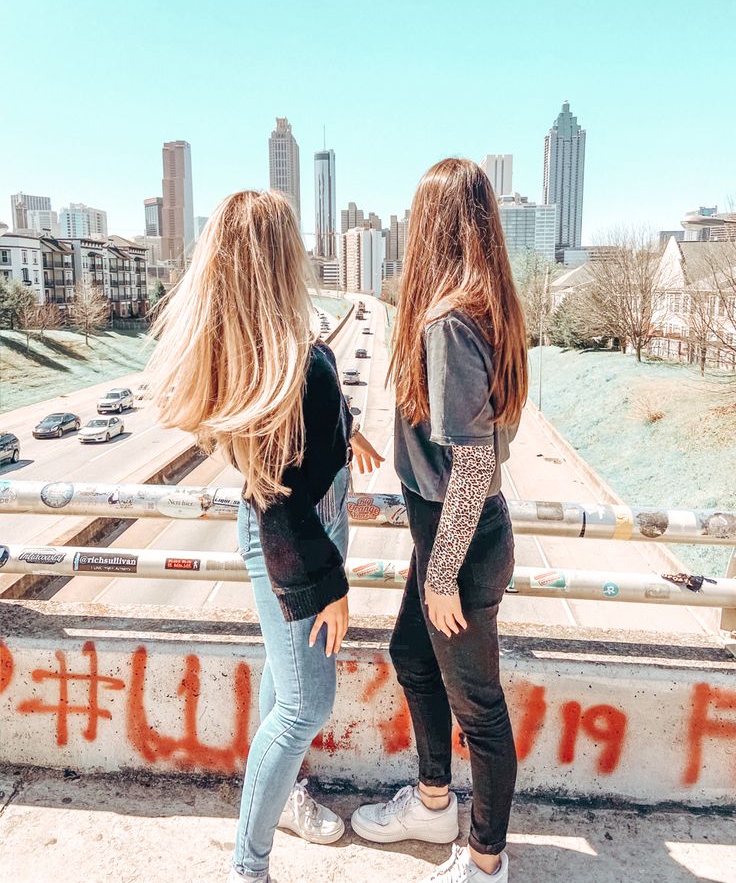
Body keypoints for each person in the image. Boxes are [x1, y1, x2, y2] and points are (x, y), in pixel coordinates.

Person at [146, 190, 383, 883]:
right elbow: (279, 501)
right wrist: (330, 586)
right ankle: (249, 868)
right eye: (294, 243)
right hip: (297, 545)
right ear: (275, 259)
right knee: (307, 704)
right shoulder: (286, 366)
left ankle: (280, 801)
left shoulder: (271, 355)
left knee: (286, 692)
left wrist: (348, 429)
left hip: (297, 534)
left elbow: (307, 424)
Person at [351, 159, 528, 883]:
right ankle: (431, 802)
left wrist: (444, 569)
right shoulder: (486, 305)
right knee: (412, 656)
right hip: (449, 531)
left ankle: (486, 861)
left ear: (433, 228)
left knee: (479, 709)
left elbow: (475, 462)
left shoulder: (451, 320)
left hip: (461, 536)